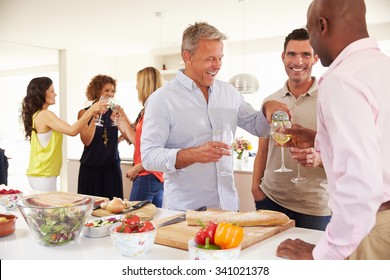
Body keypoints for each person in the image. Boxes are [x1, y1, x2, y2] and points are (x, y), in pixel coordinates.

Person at [276, 0, 390, 260]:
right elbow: (380, 145)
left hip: (372, 229)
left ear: (322, 25)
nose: (311, 46)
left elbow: (361, 185)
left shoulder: (342, 80)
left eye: (310, 31)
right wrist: (319, 139)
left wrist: (323, 255)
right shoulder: (383, 66)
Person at [140, 22, 289, 211]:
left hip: (228, 209)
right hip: (185, 212)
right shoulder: (162, 100)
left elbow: (258, 126)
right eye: (210, 59)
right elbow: (149, 156)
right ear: (188, 56)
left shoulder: (229, 92)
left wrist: (268, 107)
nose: (217, 65)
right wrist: (193, 154)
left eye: (220, 58)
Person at [251, 28, 331, 231]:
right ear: (283, 57)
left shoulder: (330, 99)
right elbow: (263, 149)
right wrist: (256, 189)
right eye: (292, 54)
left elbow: (344, 153)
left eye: (306, 54)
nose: (298, 61)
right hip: (270, 200)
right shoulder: (271, 101)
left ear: (315, 58)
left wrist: (320, 158)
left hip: (314, 208)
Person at [21, 77, 104, 191]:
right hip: (43, 174)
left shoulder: (38, 114)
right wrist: (90, 110)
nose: (55, 94)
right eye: (51, 91)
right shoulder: (45, 114)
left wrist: (91, 115)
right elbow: (72, 130)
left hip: (42, 174)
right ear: (41, 93)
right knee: (49, 208)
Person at [117, 67, 164, 207]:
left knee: (133, 219)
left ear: (144, 84)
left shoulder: (152, 111)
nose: (136, 86)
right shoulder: (150, 109)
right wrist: (122, 116)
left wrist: (138, 167)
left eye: (137, 82)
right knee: (155, 219)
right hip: (157, 176)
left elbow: (154, 146)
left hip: (147, 175)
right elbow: (138, 139)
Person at [77, 74, 124, 199]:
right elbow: (86, 141)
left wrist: (117, 139)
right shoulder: (84, 113)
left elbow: (126, 135)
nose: (110, 94)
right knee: (92, 210)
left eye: (112, 91)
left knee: (114, 210)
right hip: (91, 169)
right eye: (106, 90)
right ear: (97, 92)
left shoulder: (116, 112)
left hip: (112, 168)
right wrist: (94, 117)